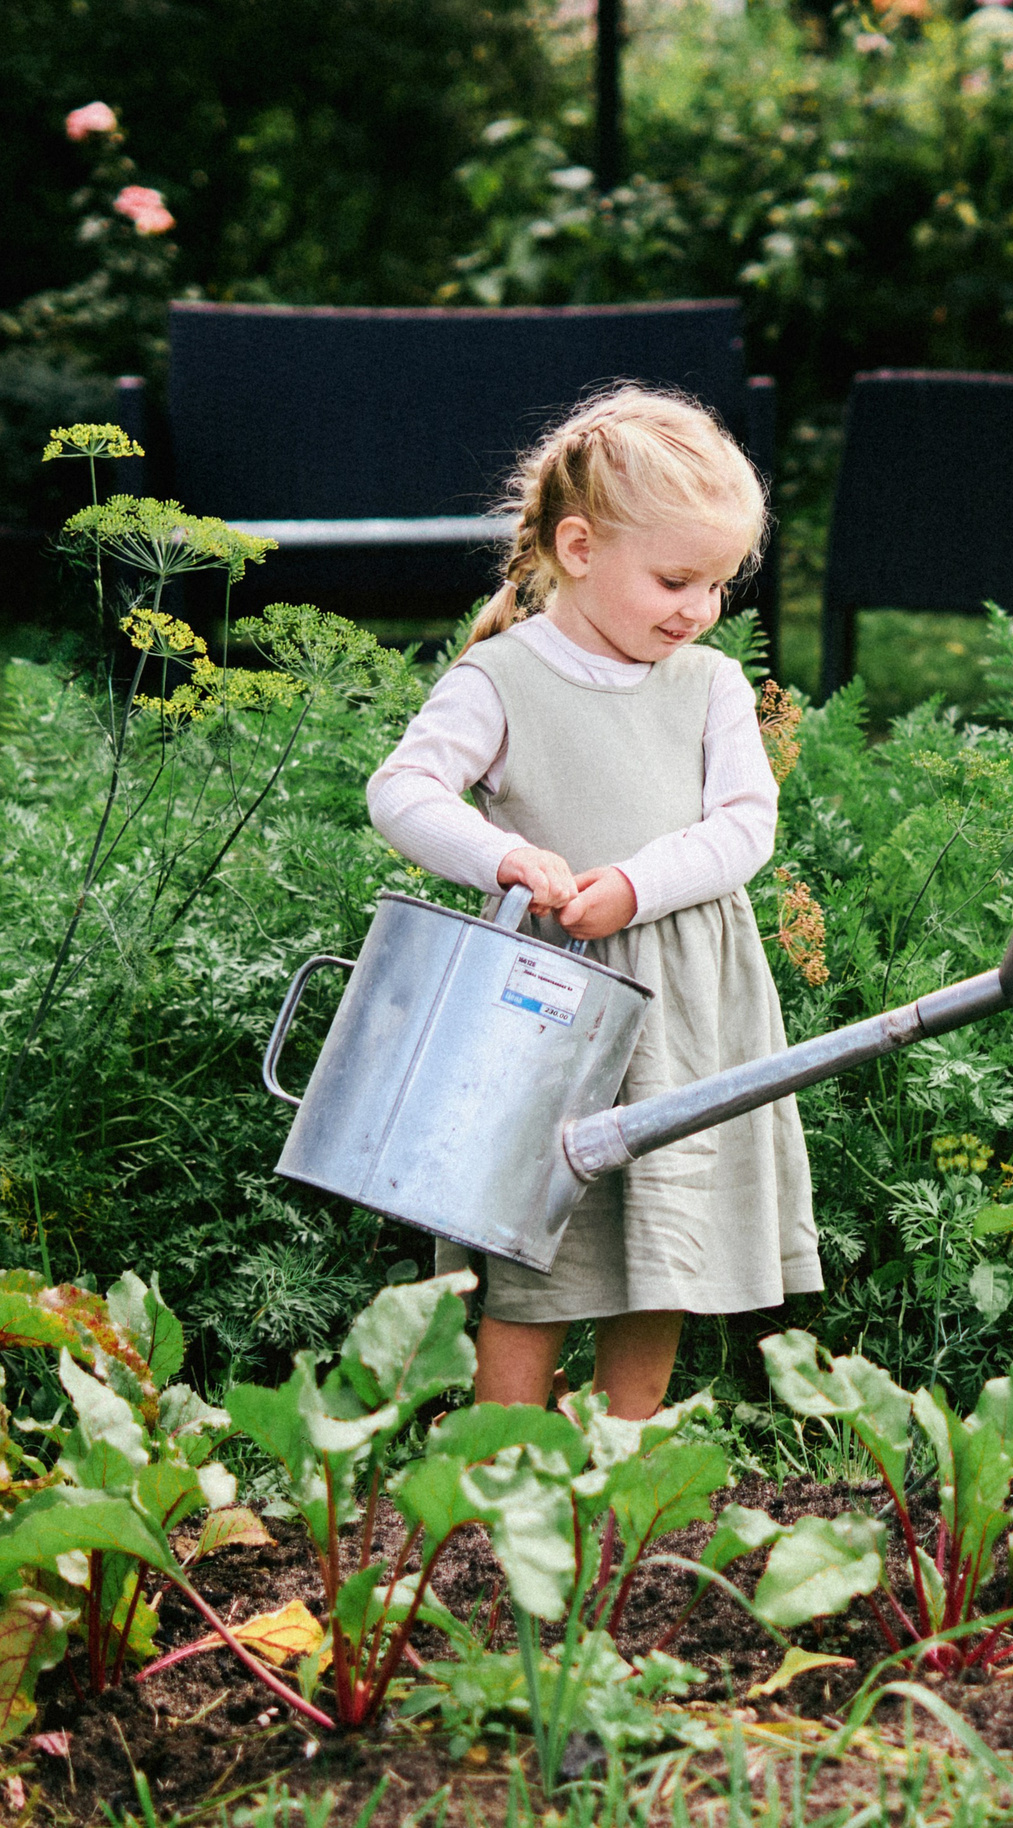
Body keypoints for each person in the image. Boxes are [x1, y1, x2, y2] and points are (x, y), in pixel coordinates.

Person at [367, 383, 819, 1420]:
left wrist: (634, 886)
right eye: (674, 579)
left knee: (656, 1241)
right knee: (531, 1248)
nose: (697, 610)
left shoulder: (707, 685)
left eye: (714, 586)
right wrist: (506, 858)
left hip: (681, 1005)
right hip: (546, 1005)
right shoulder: (503, 679)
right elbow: (401, 792)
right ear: (577, 548)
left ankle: (627, 1456)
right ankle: (502, 1462)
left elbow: (747, 828)